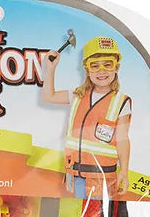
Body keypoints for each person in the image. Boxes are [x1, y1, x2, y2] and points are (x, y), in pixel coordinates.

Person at [42, 36, 131, 198]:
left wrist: (124, 171)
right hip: (74, 174)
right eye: (95, 66)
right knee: (74, 211)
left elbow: (123, 139)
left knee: (95, 213)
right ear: (87, 70)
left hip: (102, 178)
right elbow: (49, 96)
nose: (101, 71)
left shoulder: (121, 102)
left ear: (116, 68)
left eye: (108, 64)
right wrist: (50, 69)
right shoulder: (77, 95)